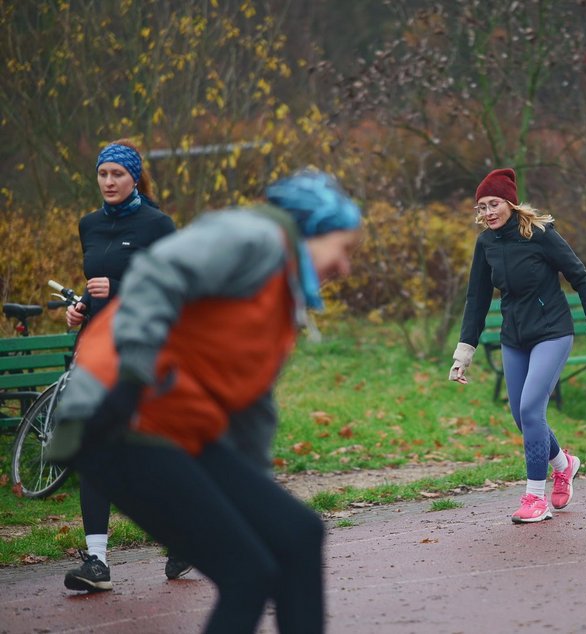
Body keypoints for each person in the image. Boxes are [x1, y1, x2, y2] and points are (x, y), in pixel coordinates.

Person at [50, 168, 361, 633]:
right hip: (117, 415)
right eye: (344, 248)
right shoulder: (254, 237)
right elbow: (157, 275)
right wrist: (132, 377)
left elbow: (253, 409)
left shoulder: (281, 296)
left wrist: (257, 499)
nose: (345, 267)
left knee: (297, 533)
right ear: (314, 228)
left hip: (175, 429)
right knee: (248, 575)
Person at [448, 167, 586, 523]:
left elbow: (580, 277)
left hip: (553, 332)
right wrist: (464, 353)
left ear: (511, 203)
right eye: (482, 207)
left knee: (532, 409)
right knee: (521, 417)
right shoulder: (486, 244)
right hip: (514, 337)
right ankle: (564, 465)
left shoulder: (540, 234)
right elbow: (476, 300)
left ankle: (535, 498)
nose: (488, 212)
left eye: (494, 204)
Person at [63, 140, 178, 591]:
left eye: (117, 174)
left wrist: (120, 289)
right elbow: (95, 282)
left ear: (134, 178)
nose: (108, 182)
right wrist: (80, 308)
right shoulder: (89, 224)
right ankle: (96, 562)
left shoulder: (157, 225)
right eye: (102, 173)